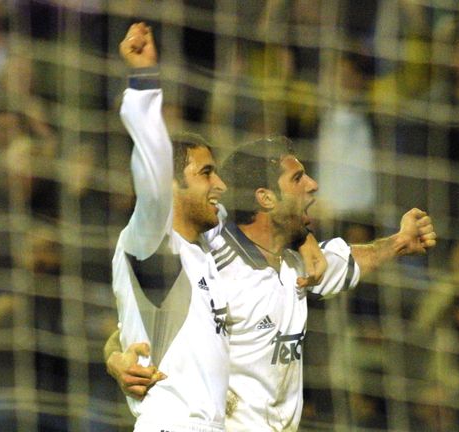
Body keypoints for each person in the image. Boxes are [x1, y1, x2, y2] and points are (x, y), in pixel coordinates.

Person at [106, 137, 437, 429]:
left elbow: (348, 260)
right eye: (297, 178)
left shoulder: (302, 265)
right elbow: (140, 325)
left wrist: (399, 242)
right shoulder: (212, 259)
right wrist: (116, 361)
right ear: (265, 198)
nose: (313, 184)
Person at [109, 24, 326, 432]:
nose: (220, 185)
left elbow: (274, 219)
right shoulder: (155, 242)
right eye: (207, 173)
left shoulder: (206, 248)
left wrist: (308, 237)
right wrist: (143, 81)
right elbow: (153, 166)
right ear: (172, 185)